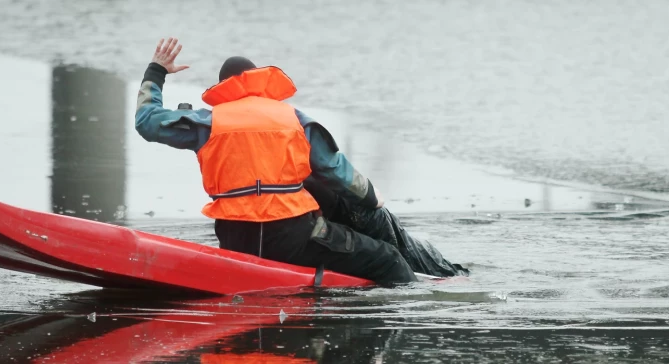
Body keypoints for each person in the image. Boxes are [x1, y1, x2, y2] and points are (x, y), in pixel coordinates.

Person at [135, 38, 466, 285]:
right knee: (390, 259)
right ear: (258, 81)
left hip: (235, 238)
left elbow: (146, 121)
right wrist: (371, 197)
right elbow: (337, 172)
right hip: (291, 239)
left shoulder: (206, 122)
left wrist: (157, 71)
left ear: (223, 88)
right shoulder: (292, 119)